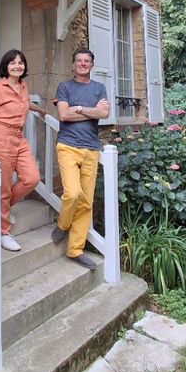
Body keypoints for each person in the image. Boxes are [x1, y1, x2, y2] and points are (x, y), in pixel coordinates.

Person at [0, 49, 47, 252]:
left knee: (31, 178)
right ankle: (4, 232)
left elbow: (24, 104)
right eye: (13, 63)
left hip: (19, 137)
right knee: (4, 186)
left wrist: (40, 109)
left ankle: (3, 208)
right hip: (0, 137)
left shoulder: (23, 85)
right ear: (5, 66)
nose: (17, 65)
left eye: (21, 62)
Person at [51, 48, 110, 270]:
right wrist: (91, 110)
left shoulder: (99, 88)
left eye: (87, 61)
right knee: (72, 193)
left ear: (91, 65)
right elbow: (64, 115)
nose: (83, 64)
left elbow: (104, 114)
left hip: (92, 149)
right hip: (68, 146)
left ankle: (75, 250)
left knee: (86, 202)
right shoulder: (65, 87)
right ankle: (63, 224)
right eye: (79, 61)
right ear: (73, 65)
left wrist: (79, 108)